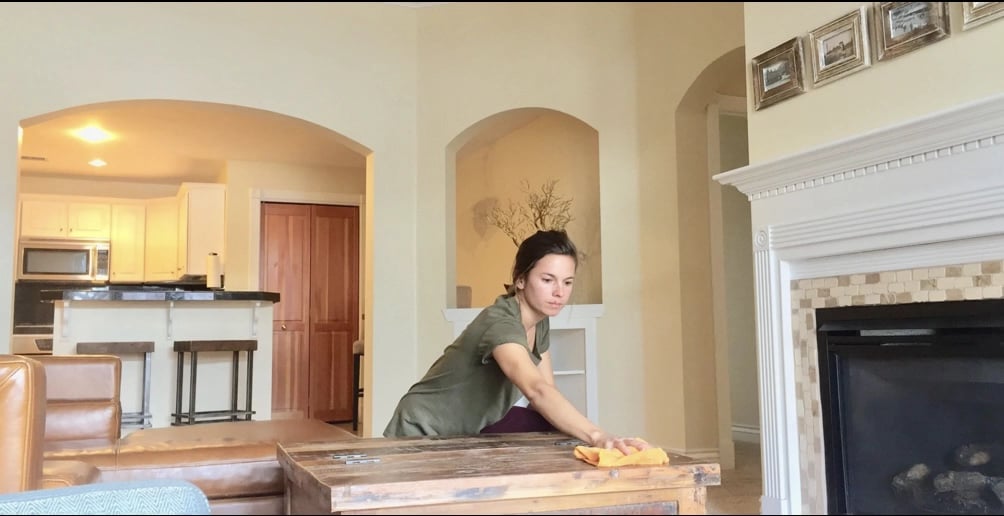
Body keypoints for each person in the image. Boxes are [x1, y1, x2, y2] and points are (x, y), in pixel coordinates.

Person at [384, 229, 649, 454]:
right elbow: (536, 389)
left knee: (553, 432)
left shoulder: (539, 321)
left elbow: (547, 393)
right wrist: (598, 436)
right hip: (421, 432)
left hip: (463, 432)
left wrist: (587, 442)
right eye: (547, 280)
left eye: (567, 282)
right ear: (520, 279)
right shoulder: (501, 324)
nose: (559, 292)